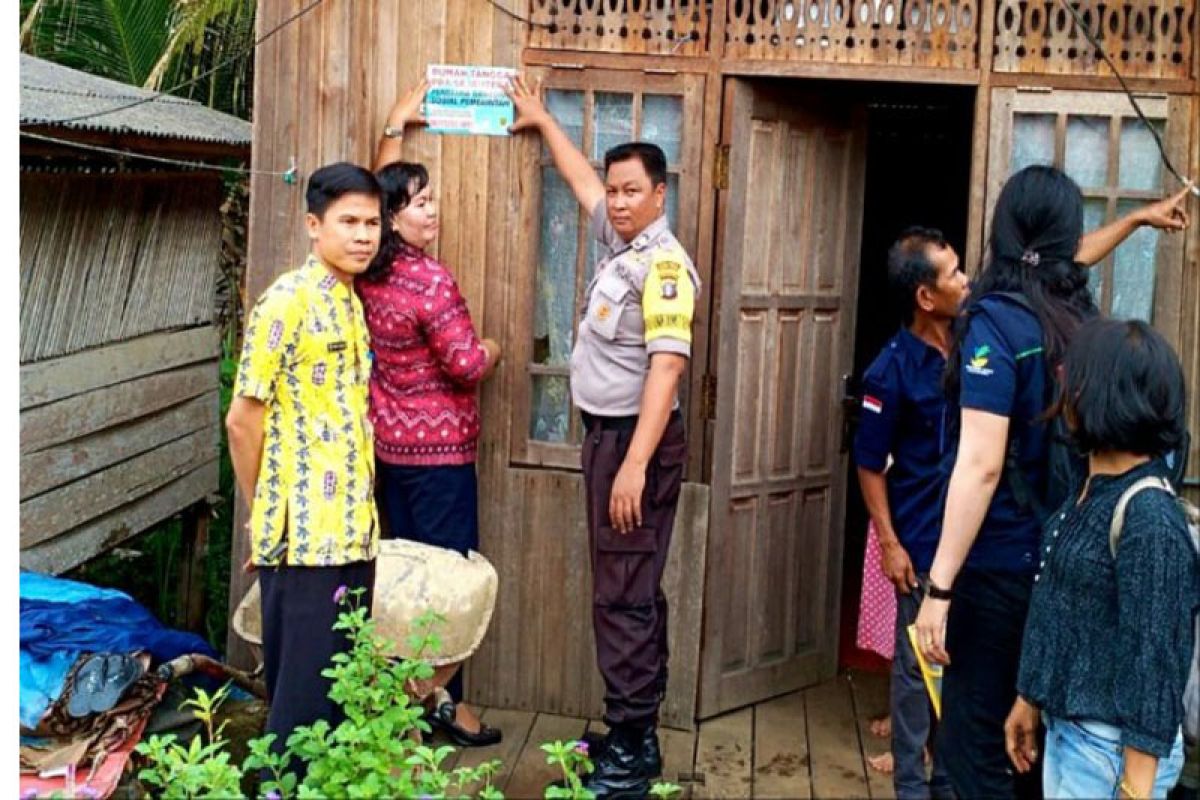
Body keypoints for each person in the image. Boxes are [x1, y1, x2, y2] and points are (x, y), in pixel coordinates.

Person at [913, 166, 1192, 798]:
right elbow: (1067, 258)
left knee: (974, 752)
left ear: (1003, 229)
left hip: (994, 571)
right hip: (1055, 562)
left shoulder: (994, 324)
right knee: (1031, 748)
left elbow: (981, 464)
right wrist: (1136, 220)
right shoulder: (1075, 316)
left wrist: (940, 587)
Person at [507, 76, 700, 798]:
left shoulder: (665, 269)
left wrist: (634, 467)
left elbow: (668, 368)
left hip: (633, 447)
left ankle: (630, 745)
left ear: (660, 195)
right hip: (609, 442)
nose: (616, 200)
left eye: (631, 191)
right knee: (629, 589)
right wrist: (543, 121)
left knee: (622, 595)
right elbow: (581, 180)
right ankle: (634, 730)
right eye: (615, 190)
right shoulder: (621, 245)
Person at [357, 83, 503, 747]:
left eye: (432, 200)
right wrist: (497, 346)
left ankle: (398, 708)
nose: (432, 213)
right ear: (395, 215)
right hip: (441, 461)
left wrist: (393, 127)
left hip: (389, 453)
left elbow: (367, 192)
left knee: (400, 579)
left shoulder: (366, 273)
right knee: (447, 586)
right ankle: (448, 707)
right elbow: (467, 364)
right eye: (420, 204)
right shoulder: (432, 282)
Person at [225, 163, 384, 770]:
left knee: (341, 695)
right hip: (304, 541)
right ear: (313, 225)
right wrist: (265, 517)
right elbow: (243, 419)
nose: (363, 235)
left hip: (351, 533)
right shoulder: (286, 301)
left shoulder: (350, 300)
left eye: (372, 222)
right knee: (301, 709)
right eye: (348, 221)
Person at [1003, 317, 1198, 799]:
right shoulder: (1089, 488)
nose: (1063, 385)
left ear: (1103, 393)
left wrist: (1135, 788)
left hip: (1114, 757)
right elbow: (1058, 605)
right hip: (1074, 737)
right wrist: (1029, 697)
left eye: (1074, 375)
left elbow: (1154, 661)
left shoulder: (1149, 517)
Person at [854, 227, 969, 799]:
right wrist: (890, 543)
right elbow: (869, 463)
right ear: (926, 297)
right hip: (920, 542)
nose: (966, 281)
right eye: (953, 274)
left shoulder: (975, 344)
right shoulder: (891, 369)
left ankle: (950, 781)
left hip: (974, 541)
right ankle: (911, 786)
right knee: (915, 670)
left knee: (964, 666)